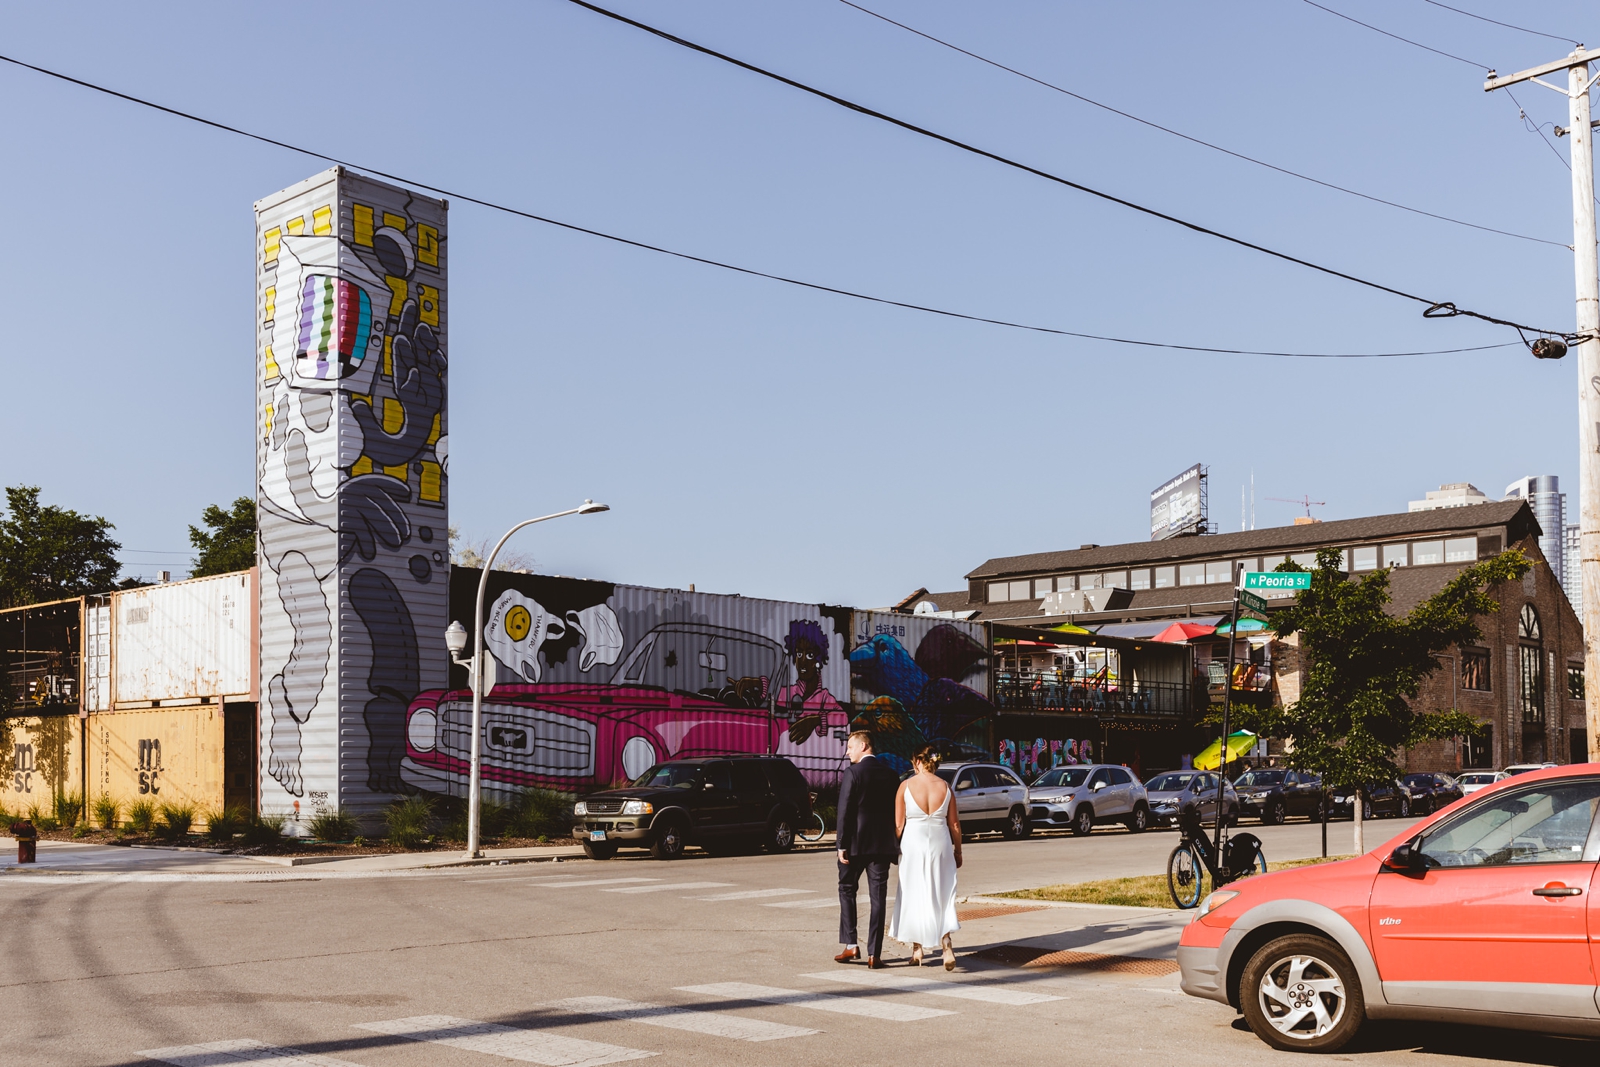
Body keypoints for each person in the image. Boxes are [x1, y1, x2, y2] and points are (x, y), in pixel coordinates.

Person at [888, 744, 962, 969]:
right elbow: (955, 824)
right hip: (940, 843)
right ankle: (946, 944)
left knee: (913, 893)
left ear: (917, 762)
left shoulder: (905, 786)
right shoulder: (946, 787)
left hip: (913, 844)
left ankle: (917, 949)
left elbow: (899, 825)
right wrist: (958, 851)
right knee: (942, 892)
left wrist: (893, 846)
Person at [835, 730, 900, 968]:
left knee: (846, 889)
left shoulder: (853, 773)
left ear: (863, 746)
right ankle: (875, 954)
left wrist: (841, 844)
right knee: (878, 898)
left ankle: (851, 945)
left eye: (850, 747)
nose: (847, 751)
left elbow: (845, 811)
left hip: (854, 844)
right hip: (882, 846)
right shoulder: (892, 775)